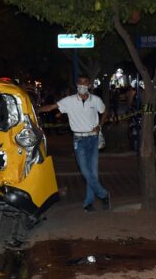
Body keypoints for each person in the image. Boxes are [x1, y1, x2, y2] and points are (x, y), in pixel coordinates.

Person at [38, 76, 109, 212]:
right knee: (85, 172)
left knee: (92, 172)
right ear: (77, 85)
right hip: (78, 140)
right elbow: (52, 107)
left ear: (89, 85)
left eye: (85, 83)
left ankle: (88, 203)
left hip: (93, 139)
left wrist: (100, 125)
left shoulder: (96, 100)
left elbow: (104, 111)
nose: (82, 86)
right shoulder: (69, 101)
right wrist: (37, 110)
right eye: (80, 83)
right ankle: (104, 194)